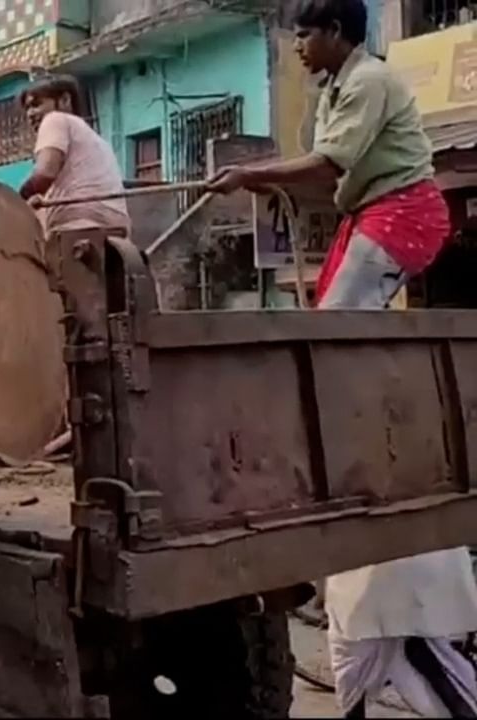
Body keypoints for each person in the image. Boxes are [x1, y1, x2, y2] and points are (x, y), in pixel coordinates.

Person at [208, 1, 477, 716]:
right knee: (323, 323)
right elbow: (324, 178)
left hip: (403, 211)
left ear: (334, 34)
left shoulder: (367, 83)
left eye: (304, 33)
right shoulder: (336, 89)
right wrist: (263, 184)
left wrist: (250, 176)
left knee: (327, 333)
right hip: (372, 210)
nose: (296, 45)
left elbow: (328, 165)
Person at [19, 74, 130, 235]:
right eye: (27, 109)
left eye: (36, 105)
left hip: (77, 226)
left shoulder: (54, 120)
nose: (30, 114)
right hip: (116, 228)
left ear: (65, 100)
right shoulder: (95, 138)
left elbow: (44, 174)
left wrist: (15, 200)